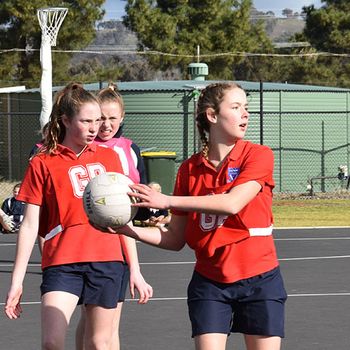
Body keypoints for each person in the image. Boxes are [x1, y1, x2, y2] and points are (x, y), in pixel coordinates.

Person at [114, 82, 287, 350]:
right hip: (210, 283)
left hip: (260, 279)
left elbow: (233, 203)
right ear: (212, 115)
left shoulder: (258, 155)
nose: (245, 114)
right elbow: (175, 239)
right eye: (236, 107)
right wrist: (127, 230)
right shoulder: (189, 170)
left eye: (246, 107)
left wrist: (166, 201)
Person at [4, 82, 152, 350]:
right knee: (52, 341)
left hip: (107, 260)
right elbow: (29, 225)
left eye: (97, 120)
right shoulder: (43, 162)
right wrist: (17, 282)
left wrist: (136, 270)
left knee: (98, 343)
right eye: (86, 121)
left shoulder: (110, 158)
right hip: (62, 262)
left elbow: (123, 218)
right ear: (66, 120)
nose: (95, 128)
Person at [75, 83, 153, 350]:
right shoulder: (84, 149)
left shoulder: (129, 149)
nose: (106, 125)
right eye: (101, 119)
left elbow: (140, 197)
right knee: (90, 318)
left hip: (120, 234)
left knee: (110, 321)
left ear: (122, 118)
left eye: (112, 118)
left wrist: (152, 205)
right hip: (89, 240)